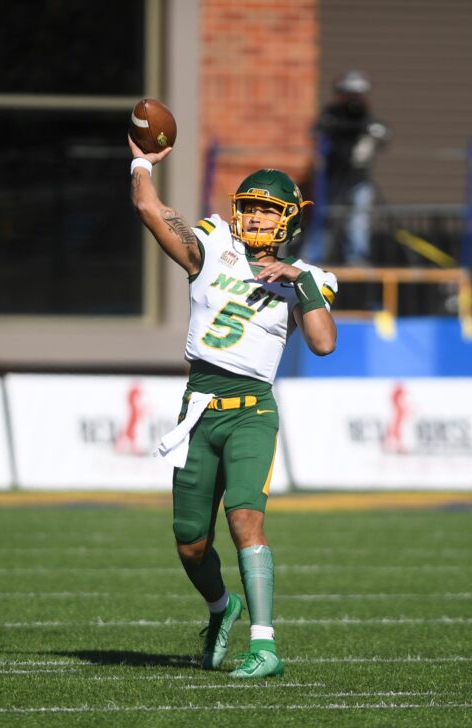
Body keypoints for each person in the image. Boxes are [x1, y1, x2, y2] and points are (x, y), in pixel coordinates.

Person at [128, 135, 338, 678]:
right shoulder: (211, 242)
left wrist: (300, 281)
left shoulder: (310, 278)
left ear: (290, 221)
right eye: (250, 208)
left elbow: (322, 342)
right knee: (190, 544)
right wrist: (142, 163)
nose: (257, 219)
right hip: (199, 408)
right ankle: (223, 608)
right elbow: (150, 209)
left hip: (251, 412)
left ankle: (265, 646)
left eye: (269, 211)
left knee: (246, 521)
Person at [310, 70, 390, 265]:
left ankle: (357, 257)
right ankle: (312, 258)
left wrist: (369, 137)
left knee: (359, 218)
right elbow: (316, 132)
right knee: (324, 218)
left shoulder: (369, 119)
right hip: (332, 178)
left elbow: (384, 135)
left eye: (358, 95)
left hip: (358, 179)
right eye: (348, 95)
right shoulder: (331, 116)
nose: (353, 101)